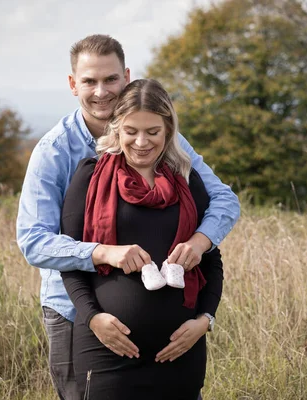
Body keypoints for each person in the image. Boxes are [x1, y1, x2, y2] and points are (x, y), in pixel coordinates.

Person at [16, 34, 239, 399]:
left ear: (127, 77)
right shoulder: (56, 152)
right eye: (89, 81)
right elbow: (34, 241)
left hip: (169, 338)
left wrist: (199, 242)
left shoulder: (164, 141)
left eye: (111, 79)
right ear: (74, 85)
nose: (101, 91)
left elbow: (223, 201)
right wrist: (102, 252)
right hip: (73, 313)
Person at [60, 78, 224, 399]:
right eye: (131, 131)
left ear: (168, 132)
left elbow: (211, 260)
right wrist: (94, 319)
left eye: (153, 132)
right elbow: (70, 258)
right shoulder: (89, 177)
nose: (141, 142)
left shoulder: (188, 182)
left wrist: (204, 321)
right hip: (107, 353)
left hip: (180, 353)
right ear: (117, 128)